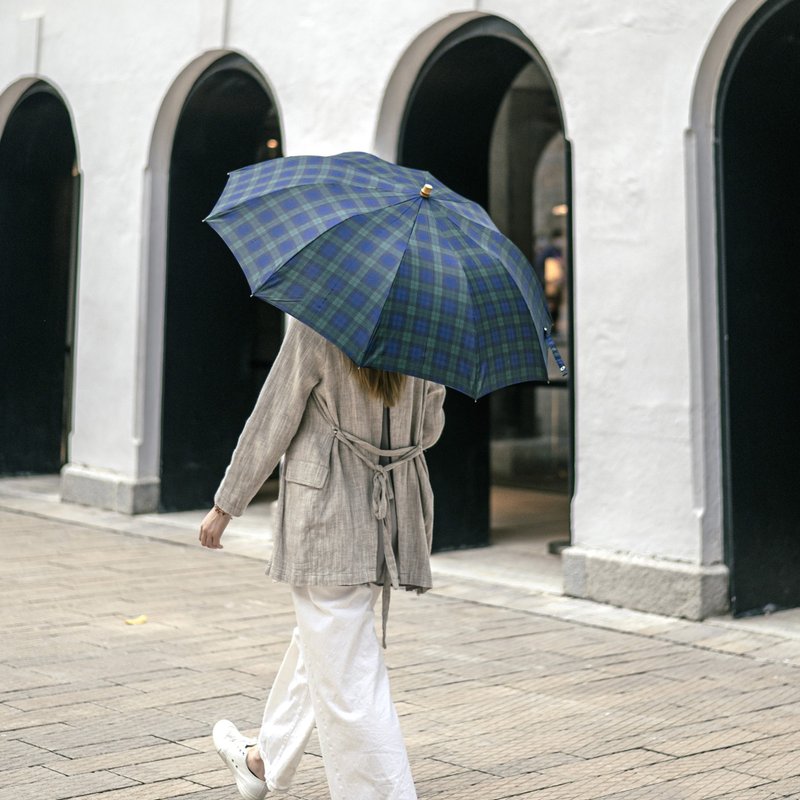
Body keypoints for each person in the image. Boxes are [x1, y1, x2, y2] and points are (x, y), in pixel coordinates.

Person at [199, 317, 446, 800]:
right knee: (328, 639)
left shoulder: (320, 324)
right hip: (388, 516)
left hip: (326, 514)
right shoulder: (423, 330)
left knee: (348, 670)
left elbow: (273, 418)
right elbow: (431, 430)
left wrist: (225, 504)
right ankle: (261, 760)